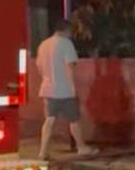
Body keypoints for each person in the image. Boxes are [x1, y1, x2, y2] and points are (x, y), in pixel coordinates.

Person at [37, 19, 97, 161]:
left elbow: (39, 67)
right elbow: (69, 67)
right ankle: (81, 147)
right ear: (66, 30)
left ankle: (43, 151)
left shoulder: (43, 45)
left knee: (49, 120)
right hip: (64, 90)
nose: (71, 34)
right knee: (74, 120)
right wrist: (73, 88)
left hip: (47, 89)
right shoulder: (66, 43)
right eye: (70, 31)